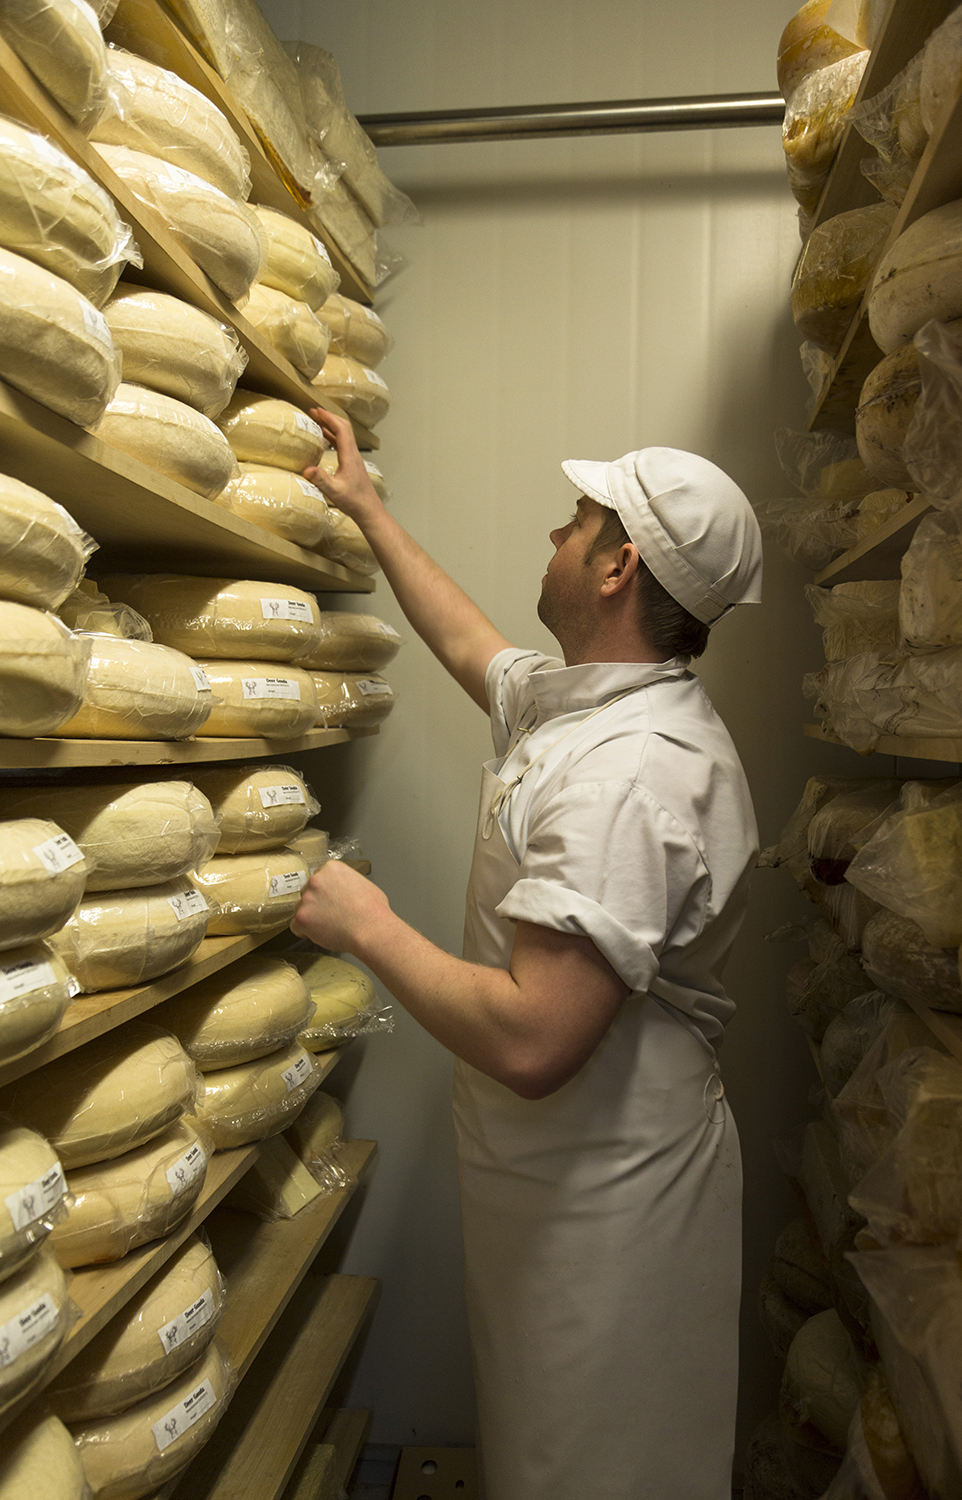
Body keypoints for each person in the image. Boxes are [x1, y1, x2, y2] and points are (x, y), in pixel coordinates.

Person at [292, 411, 763, 1500]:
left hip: (608, 1199)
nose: (555, 530)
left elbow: (534, 1036)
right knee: (545, 1452)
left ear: (614, 565)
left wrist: (365, 925)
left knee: (595, 1469)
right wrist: (365, 509)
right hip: (556, 1174)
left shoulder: (629, 774)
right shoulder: (590, 711)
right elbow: (470, 643)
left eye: (577, 519)